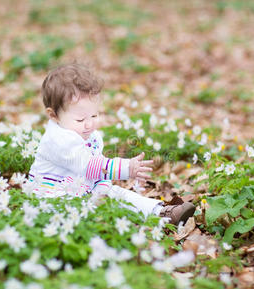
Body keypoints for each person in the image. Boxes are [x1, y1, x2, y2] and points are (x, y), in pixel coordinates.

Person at [28, 63, 195, 225]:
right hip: (53, 200)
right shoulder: (58, 140)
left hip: (82, 192)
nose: (89, 124)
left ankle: (161, 214)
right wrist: (125, 168)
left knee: (116, 193)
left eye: (94, 116)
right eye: (80, 119)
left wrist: (103, 188)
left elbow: (98, 172)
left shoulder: (89, 135)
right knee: (107, 200)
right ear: (53, 115)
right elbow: (88, 166)